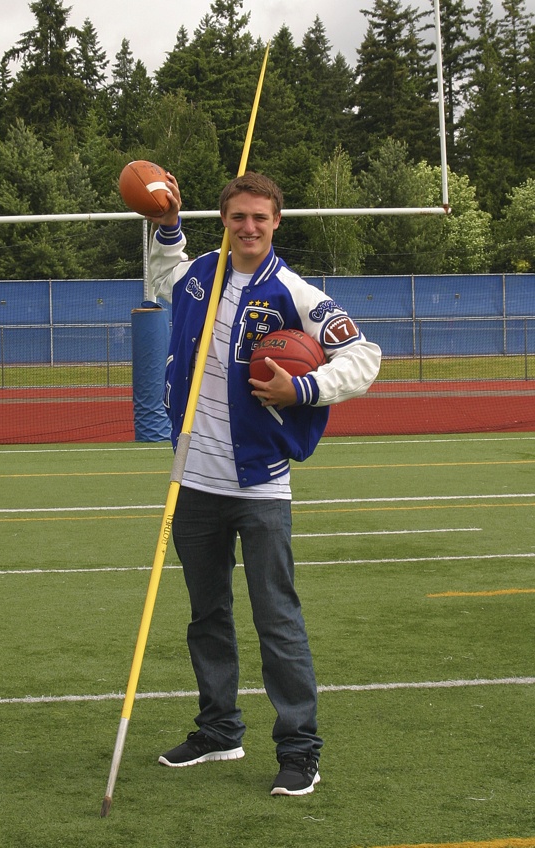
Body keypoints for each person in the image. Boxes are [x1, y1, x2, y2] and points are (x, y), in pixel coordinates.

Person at [146, 171, 381, 796]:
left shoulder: (297, 293)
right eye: (237, 217)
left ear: (277, 222)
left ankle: (300, 749)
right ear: (223, 220)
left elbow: (364, 357)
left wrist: (302, 387)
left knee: (277, 618)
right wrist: (167, 224)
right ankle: (220, 730)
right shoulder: (200, 274)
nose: (248, 227)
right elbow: (161, 279)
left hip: (260, 487)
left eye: (260, 218)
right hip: (193, 481)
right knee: (207, 614)